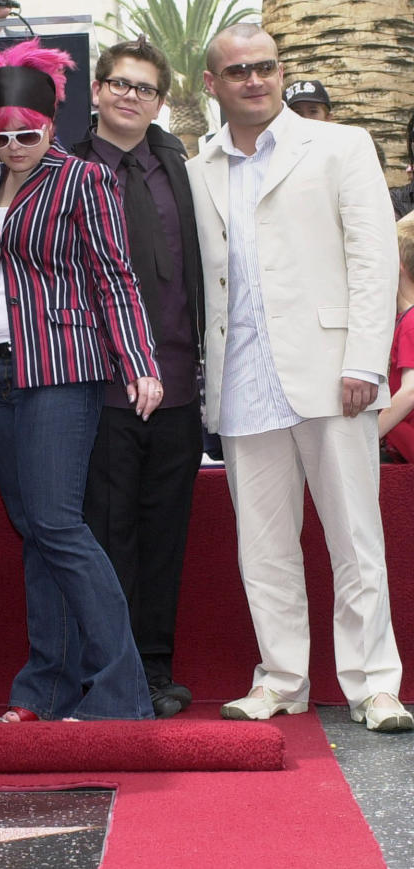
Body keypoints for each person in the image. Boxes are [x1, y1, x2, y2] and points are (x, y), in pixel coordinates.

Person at [187, 23, 412, 732]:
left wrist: (364, 362)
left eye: (266, 67)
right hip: (241, 376)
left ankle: (375, 683)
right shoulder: (200, 166)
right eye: (239, 70)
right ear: (212, 84)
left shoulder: (341, 146)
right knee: (265, 545)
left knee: (355, 536)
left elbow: (375, 259)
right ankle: (281, 677)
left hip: (331, 371)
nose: (255, 80)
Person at [0, 38, 161, 722]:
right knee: (35, 530)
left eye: (28, 132)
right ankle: (46, 689)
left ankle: (121, 693)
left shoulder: (84, 179)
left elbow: (115, 275)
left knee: (57, 524)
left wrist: (137, 360)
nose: (14, 145)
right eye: (1, 135)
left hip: (59, 371)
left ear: (51, 125)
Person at [75, 36, 203, 718]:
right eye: (119, 84)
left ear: (159, 102)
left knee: (164, 535)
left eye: (144, 89)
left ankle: (155, 669)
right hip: (100, 390)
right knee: (107, 534)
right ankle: (113, 672)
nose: (130, 96)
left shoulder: (177, 165)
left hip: (180, 388)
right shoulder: (63, 169)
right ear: (96, 90)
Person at [379, 213, 414, 462]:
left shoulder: (411, 322)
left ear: (398, 265)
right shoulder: (402, 319)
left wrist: (371, 434)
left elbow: (410, 391)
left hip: (403, 452)